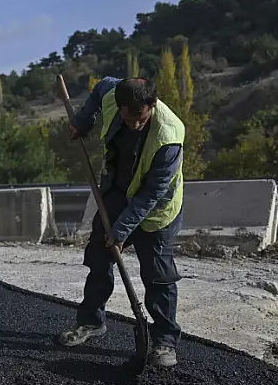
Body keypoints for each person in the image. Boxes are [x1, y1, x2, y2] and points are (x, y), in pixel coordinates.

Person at [58, 77, 185, 367]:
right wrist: (83, 121)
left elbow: (152, 193)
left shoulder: (169, 135)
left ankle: (164, 341)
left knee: (158, 275)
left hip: (156, 210)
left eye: (138, 118)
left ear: (151, 105)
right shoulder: (112, 94)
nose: (133, 125)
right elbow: (99, 87)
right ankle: (91, 322)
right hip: (115, 193)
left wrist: (122, 230)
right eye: (127, 118)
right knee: (98, 260)